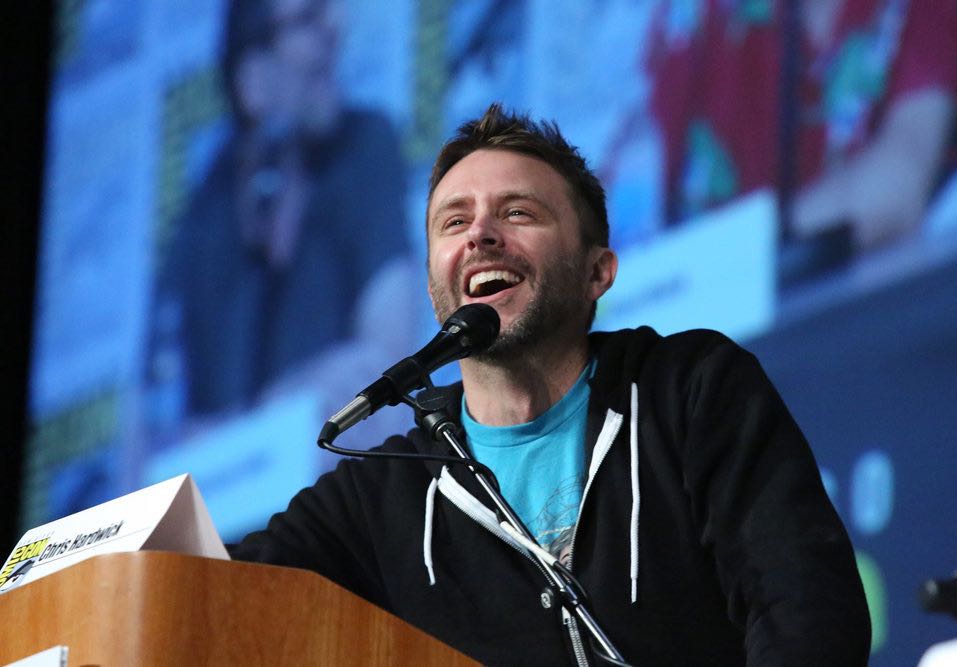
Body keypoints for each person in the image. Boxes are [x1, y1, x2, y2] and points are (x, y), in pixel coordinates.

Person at [229, 104, 871, 665]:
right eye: (454, 223)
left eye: (518, 212)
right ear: (434, 292)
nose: (481, 234)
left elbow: (806, 608)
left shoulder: (691, 389)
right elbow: (205, 586)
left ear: (598, 272)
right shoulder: (379, 495)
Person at [151, 0, 406, 420]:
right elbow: (158, 415)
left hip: (338, 454)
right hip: (233, 478)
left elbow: (387, 352)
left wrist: (274, 416)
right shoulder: (206, 212)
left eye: (330, 10)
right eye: (309, 18)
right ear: (254, 80)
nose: (333, 28)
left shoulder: (363, 145)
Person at [644, 0, 957, 251]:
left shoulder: (928, 9)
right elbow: (628, 195)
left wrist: (725, 262)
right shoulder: (692, 21)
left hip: (883, 325)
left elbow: (893, 193)